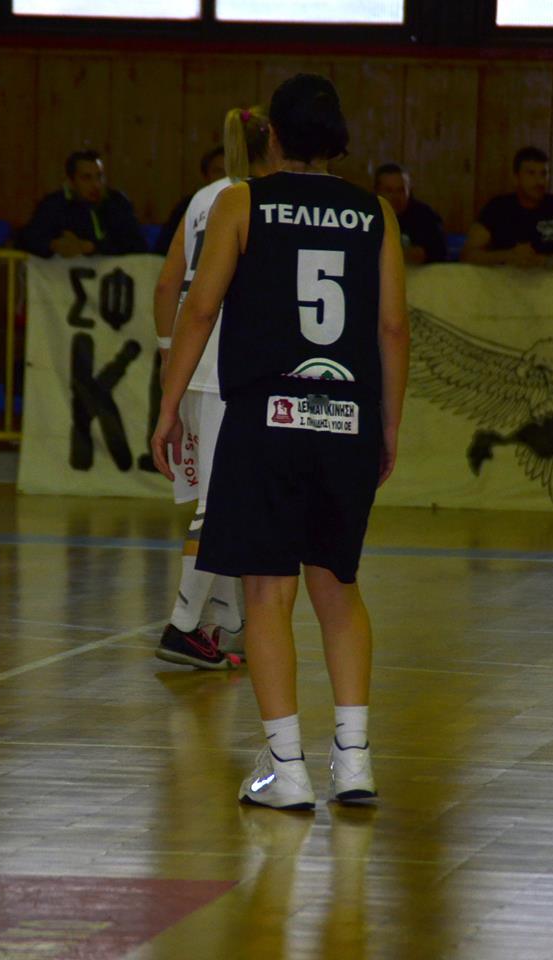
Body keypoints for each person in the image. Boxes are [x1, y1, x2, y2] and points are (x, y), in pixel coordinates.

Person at [151, 73, 409, 810]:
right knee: (339, 588)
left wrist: (169, 406)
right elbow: (393, 327)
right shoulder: (376, 213)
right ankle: (353, 761)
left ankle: (286, 768)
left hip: (266, 417)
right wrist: (388, 424)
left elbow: (200, 309)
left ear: (272, 136)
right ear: (339, 140)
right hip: (345, 417)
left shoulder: (242, 202)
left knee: (268, 591)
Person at [154, 106, 275, 671]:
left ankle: (225, 623)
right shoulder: (259, 199)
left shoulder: (204, 197)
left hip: (193, 364)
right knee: (220, 504)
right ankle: (182, 625)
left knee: (221, 499)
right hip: (231, 364)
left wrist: (168, 356)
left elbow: (167, 284)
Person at [461, 146, 553, 268]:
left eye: (544, 174)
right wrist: (508, 256)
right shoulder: (497, 207)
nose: (540, 181)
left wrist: (544, 261)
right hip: (504, 282)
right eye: (531, 173)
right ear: (516, 178)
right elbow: (467, 255)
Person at [18, 149, 147, 258]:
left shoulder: (117, 202)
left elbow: (138, 245)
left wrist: (92, 247)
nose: (96, 185)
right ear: (70, 182)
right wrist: (52, 245)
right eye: (87, 178)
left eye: (99, 177)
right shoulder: (54, 204)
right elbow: (25, 240)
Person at [154, 146, 226, 256]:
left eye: (231, 172)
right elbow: (164, 249)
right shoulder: (189, 206)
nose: (225, 177)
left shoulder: (247, 205)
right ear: (206, 176)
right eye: (218, 171)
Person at [374, 163, 447, 264]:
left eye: (401, 190)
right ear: (377, 192)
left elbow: (438, 252)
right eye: (389, 191)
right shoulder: (366, 216)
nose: (395, 197)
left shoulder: (425, 216)